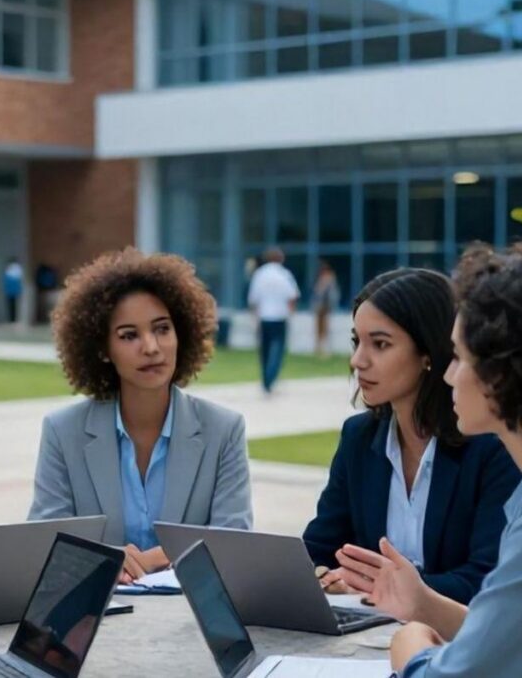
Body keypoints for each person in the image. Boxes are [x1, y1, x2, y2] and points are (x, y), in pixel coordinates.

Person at [335, 243, 522, 677]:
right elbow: (509, 635)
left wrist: (411, 648)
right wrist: (421, 605)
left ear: (505, 372)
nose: (448, 374)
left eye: (458, 357)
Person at [28, 248, 253, 582]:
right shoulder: (63, 431)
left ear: (182, 333)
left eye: (162, 329)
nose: (151, 347)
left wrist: (145, 561)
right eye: (129, 335)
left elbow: (235, 542)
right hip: (101, 619)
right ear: (102, 349)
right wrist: (106, 561)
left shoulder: (224, 429)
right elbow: (44, 545)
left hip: (190, 620)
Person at [303, 268, 518, 604]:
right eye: (357, 342)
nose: (358, 360)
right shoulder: (358, 437)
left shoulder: (491, 447)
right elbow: (317, 550)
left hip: (455, 643)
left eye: (380, 344)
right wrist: (324, 578)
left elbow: (487, 579)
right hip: (368, 640)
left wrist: (377, 588)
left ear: (428, 354)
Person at [247, 247, 299, 393]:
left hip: (264, 317)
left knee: (265, 350)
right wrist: (291, 313)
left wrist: (255, 317)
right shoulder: (284, 274)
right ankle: (270, 378)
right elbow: (292, 296)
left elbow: (253, 299)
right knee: (278, 349)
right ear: (280, 259)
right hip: (280, 317)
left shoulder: (259, 274)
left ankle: (265, 379)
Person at [311, 260, 340, 358]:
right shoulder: (326, 279)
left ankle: (323, 349)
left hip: (324, 306)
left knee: (323, 328)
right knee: (320, 328)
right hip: (322, 306)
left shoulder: (327, 278)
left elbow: (321, 292)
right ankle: (320, 348)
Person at [3, 257, 24, 323]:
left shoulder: (8, 269)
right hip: (16, 290)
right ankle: (15, 319)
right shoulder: (18, 269)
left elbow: (6, 280)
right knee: (15, 305)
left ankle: (11, 319)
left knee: (10, 306)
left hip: (9, 291)